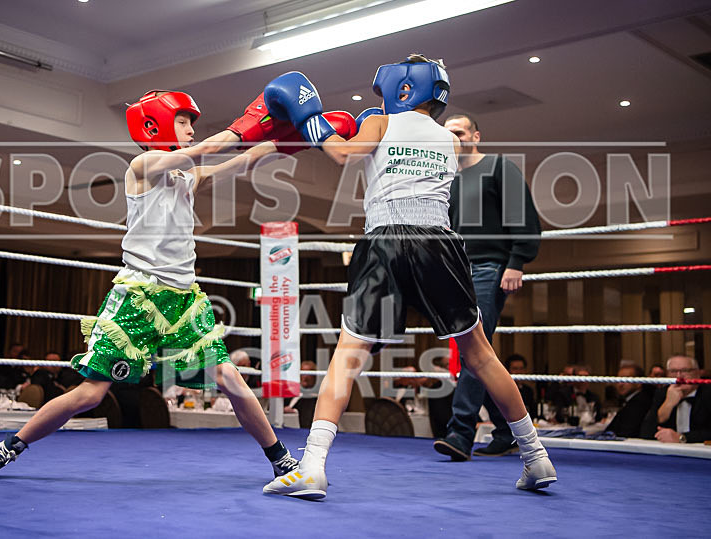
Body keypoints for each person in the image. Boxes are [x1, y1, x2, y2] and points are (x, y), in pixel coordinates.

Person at [0, 90, 307, 482]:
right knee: (91, 393)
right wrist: (248, 120)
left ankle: (280, 459)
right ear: (155, 125)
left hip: (184, 300)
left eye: (191, 121)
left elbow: (242, 160)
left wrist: (290, 138)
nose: (191, 129)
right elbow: (207, 149)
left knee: (229, 376)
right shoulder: (143, 165)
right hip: (139, 297)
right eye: (183, 120)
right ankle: (7, 448)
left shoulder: (187, 176)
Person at [259, 55, 556, 499]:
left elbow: (341, 154)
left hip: (386, 241)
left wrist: (309, 117)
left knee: (348, 355)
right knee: (480, 355)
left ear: (402, 90)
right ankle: (536, 457)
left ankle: (312, 466)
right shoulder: (449, 141)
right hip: (441, 242)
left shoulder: (379, 124)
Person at [432, 113, 540, 460]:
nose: (455, 138)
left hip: (491, 267)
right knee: (479, 351)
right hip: (456, 270)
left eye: (460, 132)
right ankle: (506, 429)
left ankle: (461, 432)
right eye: (448, 133)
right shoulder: (445, 177)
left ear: (476, 135)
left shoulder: (497, 167)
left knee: (471, 351)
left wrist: (516, 262)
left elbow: (522, 214)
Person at [640, 356, 711, 443]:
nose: (679, 376)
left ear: (697, 373)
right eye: (673, 371)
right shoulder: (662, 393)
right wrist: (667, 405)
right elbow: (645, 433)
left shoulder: (708, 393)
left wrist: (682, 438)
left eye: (685, 370)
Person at [604, 364, 652, 438]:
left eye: (626, 379)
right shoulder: (629, 400)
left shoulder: (639, 403)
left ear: (639, 382)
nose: (620, 384)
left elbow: (625, 433)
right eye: (618, 380)